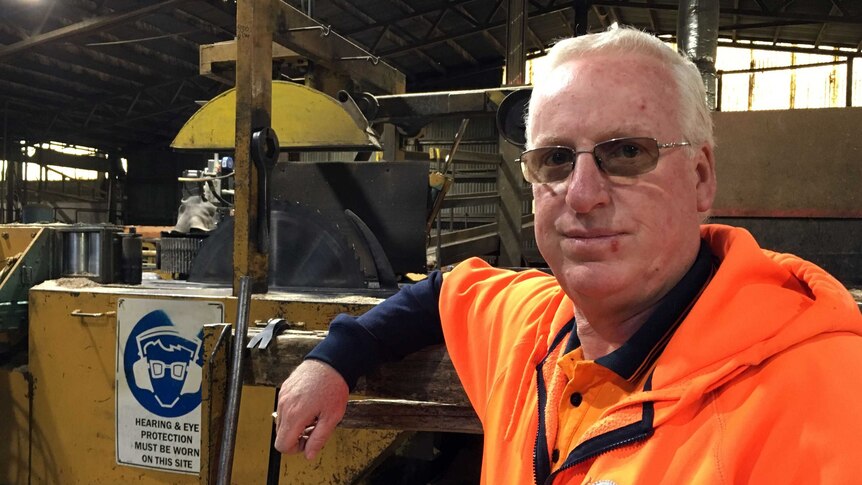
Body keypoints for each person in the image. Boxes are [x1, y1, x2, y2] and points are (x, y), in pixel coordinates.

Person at [274, 25, 862, 483]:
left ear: (702, 176)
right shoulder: (537, 324)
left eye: (627, 151)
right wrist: (335, 357)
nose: (582, 193)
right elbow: (443, 290)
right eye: (555, 158)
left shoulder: (817, 399)